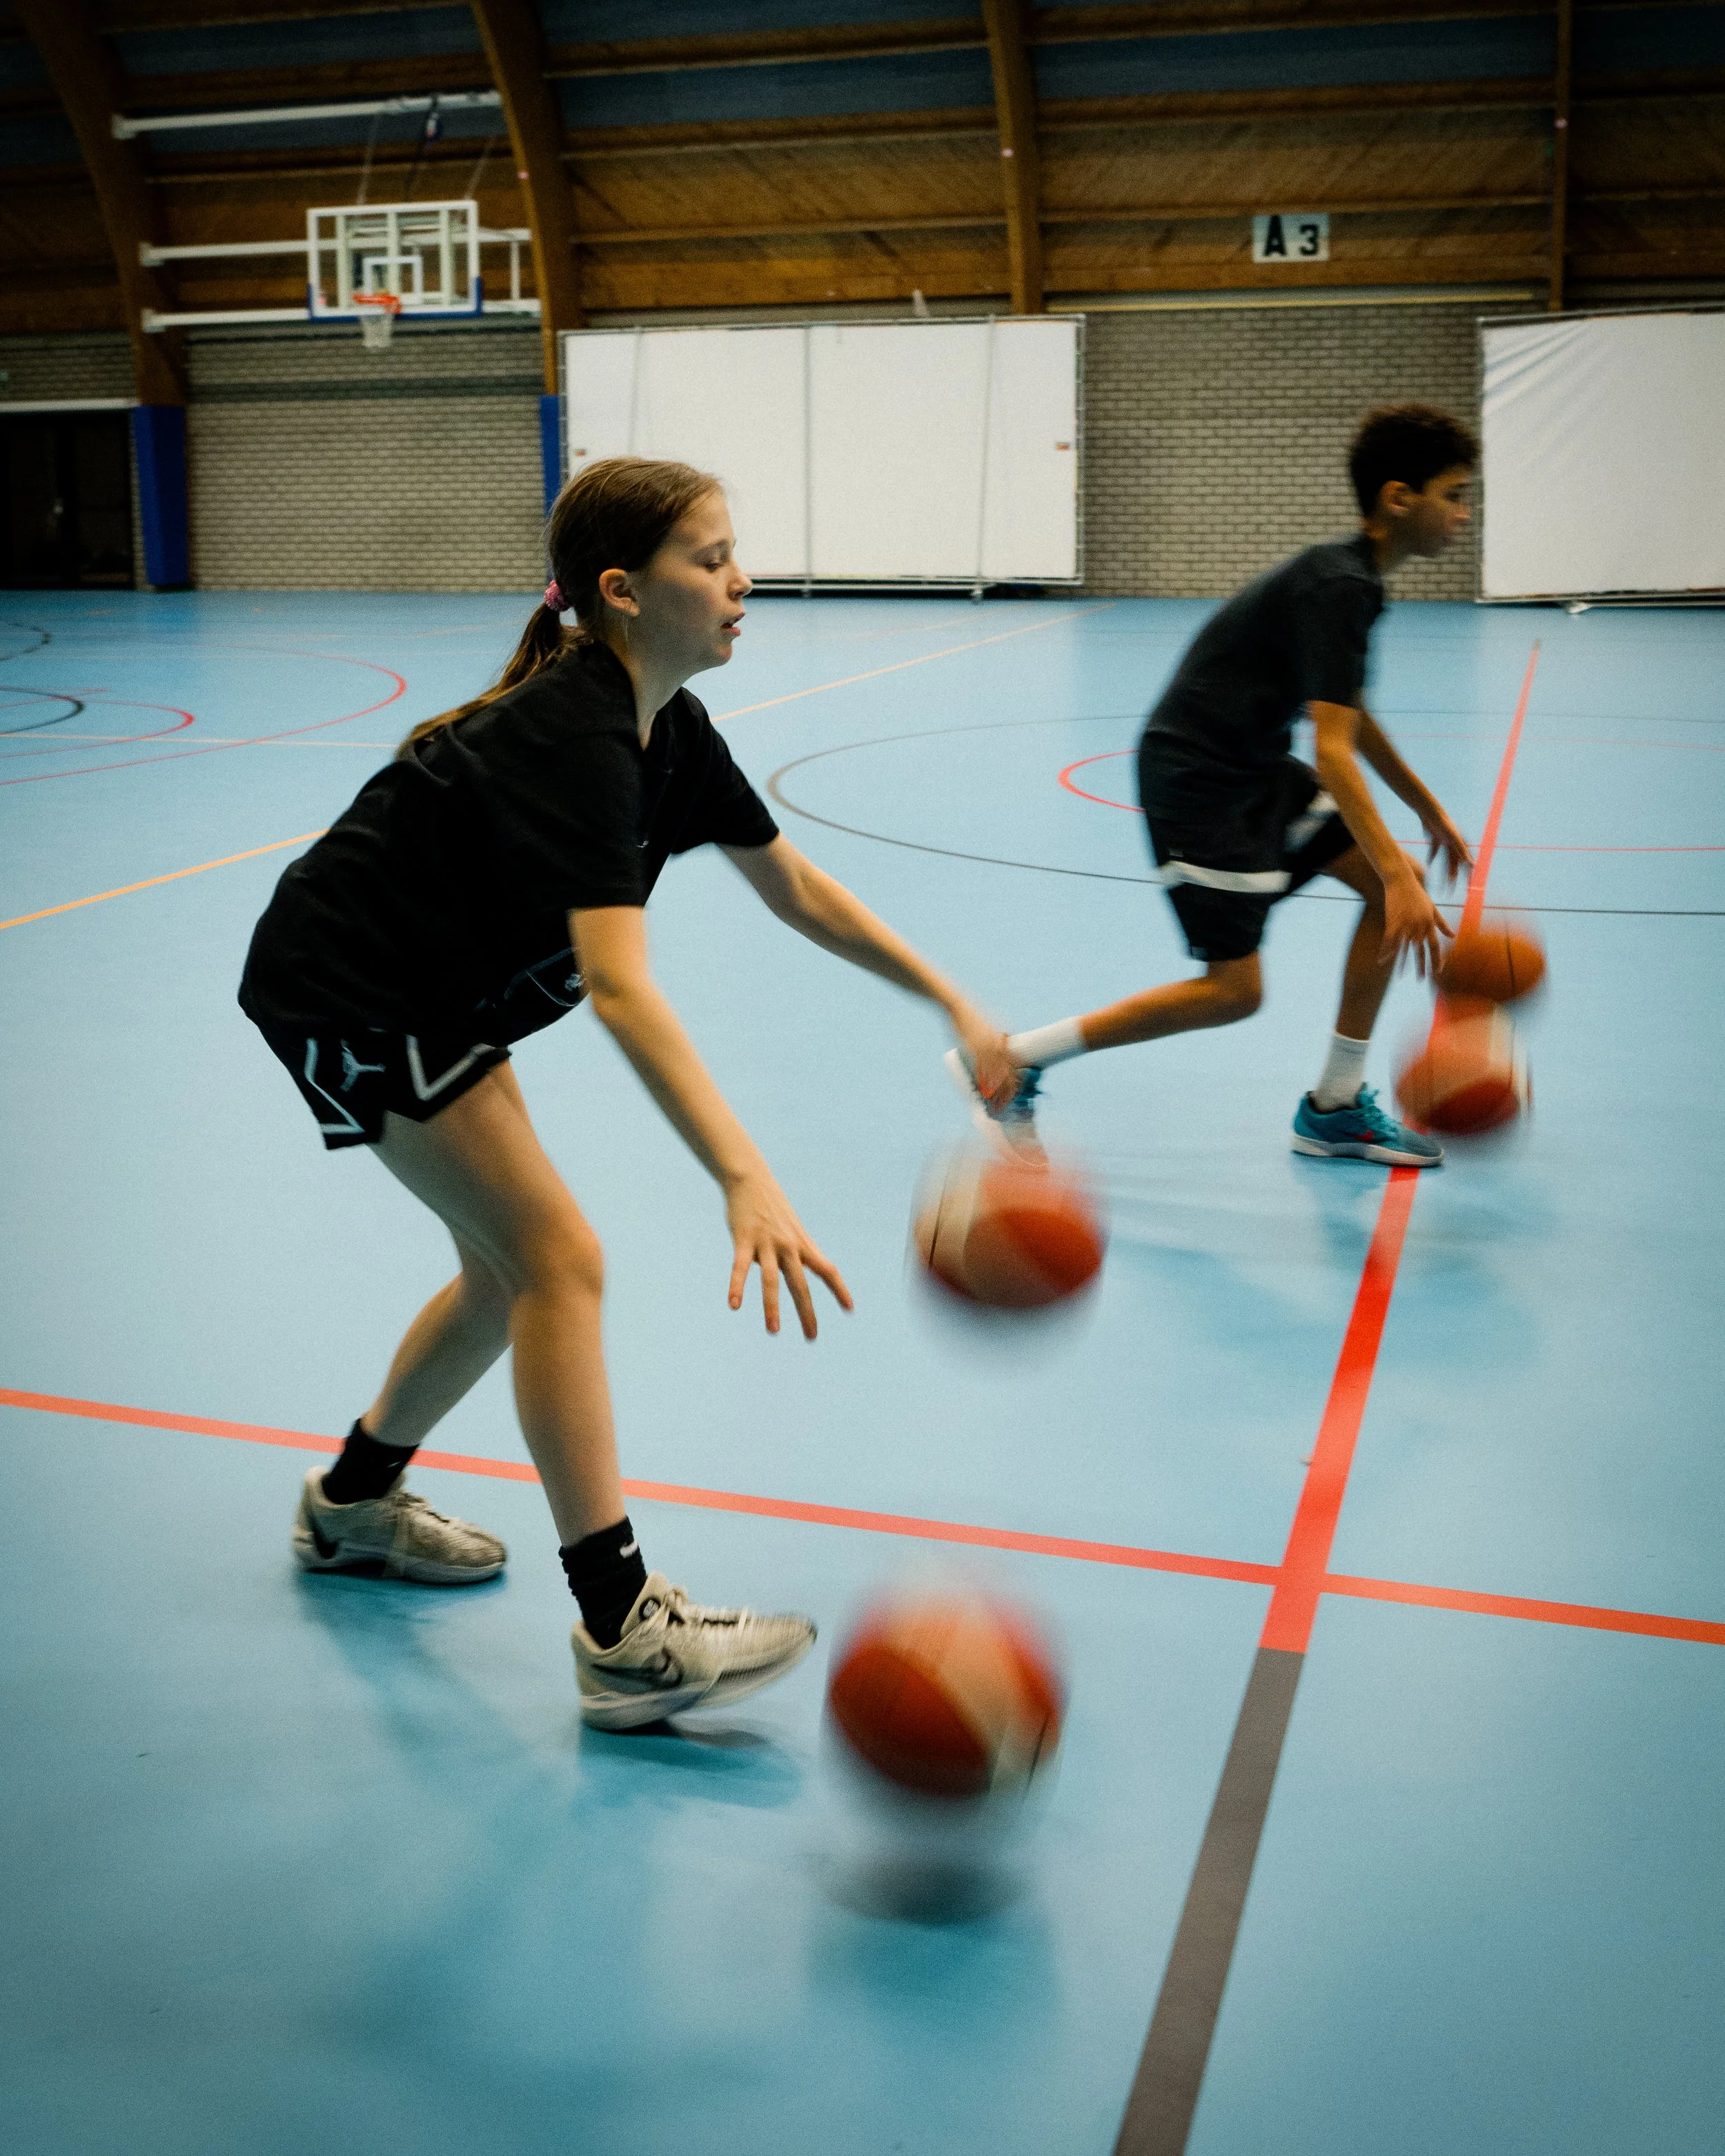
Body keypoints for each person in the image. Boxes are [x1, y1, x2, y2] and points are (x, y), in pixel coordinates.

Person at [239, 456, 1012, 1731]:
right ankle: (626, 1631)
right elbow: (622, 988)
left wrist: (950, 998)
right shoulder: (577, 735)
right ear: (623, 592)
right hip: (356, 988)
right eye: (710, 558)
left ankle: (352, 1508)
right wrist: (741, 1174)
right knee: (560, 1263)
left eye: (732, 553)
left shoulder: (670, 730)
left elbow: (796, 887)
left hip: (438, 992)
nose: (739, 580)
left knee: (511, 1270)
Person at [952, 403, 1477, 1168]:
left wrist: (1423, 813)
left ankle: (1334, 1105)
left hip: (1254, 766)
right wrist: (1400, 869)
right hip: (1199, 779)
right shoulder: (1339, 585)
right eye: (1455, 493)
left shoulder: (1351, 579)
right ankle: (1011, 1059)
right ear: (1399, 498)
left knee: (1380, 889)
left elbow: (1347, 710)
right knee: (1235, 989)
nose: (1464, 513)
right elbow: (1332, 753)